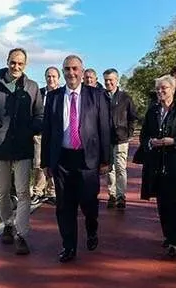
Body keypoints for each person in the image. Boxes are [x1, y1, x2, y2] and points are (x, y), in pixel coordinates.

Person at [0, 47, 44, 255]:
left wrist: (32, 129)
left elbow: (39, 113)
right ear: (7, 61)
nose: (16, 66)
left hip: (22, 147)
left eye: (20, 63)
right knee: (3, 191)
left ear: (26, 65)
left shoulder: (32, 87)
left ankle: (21, 234)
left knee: (23, 192)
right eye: (13, 62)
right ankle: (8, 224)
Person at [41, 55, 111, 263]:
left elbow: (104, 129)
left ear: (82, 71)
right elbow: (47, 131)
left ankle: (92, 230)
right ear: (63, 72)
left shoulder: (96, 95)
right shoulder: (54, 97)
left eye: (75, 69)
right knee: (64, 205)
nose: (71, 73)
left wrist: (105, 160)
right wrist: (46, 162)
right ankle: (68, 246)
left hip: (87, 159)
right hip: (62, 159)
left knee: (89, 202)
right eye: (67, 69)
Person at [136, 75, 176, 259]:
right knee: (161, 202)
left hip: (175, 163)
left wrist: (173, 141)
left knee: (174, 202)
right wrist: (150, 142)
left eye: (164, 88)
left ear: (173, 89)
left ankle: (174, 241)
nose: (161, 92)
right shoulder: (152, 111)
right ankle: (167, 234)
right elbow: (144, 134)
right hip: (156, 163)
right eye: (158, 89)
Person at [102, 68, 138, 209]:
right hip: (106, 138)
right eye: (106, 80)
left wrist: (129, 133)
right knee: (109, 168)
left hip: (121, 138)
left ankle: (121, 196)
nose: (108, 83)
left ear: (117, 80)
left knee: (120, 167)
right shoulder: (101, 96)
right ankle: (111, 194)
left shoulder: (125, 97)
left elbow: (132, 117)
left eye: (111, 80)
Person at [32, 66, 59, 205]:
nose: (51, 79)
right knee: (38, 163)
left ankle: (52, 192)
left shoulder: (62, 94)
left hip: (56, 136)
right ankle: (38, 191)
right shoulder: (40, 93)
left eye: (54, 76)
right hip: (40, 134)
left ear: (58, 78)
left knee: (54, 163)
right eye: (48, 76)